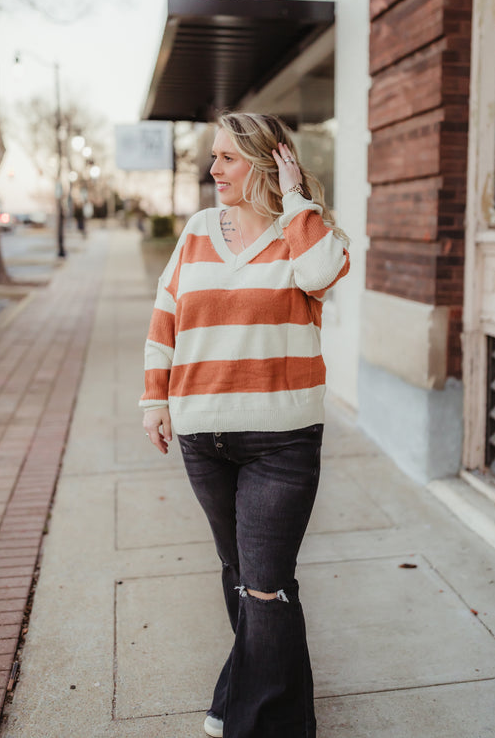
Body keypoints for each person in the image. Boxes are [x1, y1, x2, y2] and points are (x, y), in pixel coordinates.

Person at [140, 112, 350, 738]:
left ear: (265, 162)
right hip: (204, 436)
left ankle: (258, 722)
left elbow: (319, 277)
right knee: (241, 574)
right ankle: (245, 690)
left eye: (227, 158)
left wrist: (295, 201)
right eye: (214, 157)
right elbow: (166, 315)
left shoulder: (306, 233)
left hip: (281, 440)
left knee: (263, 584)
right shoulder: (200, 230)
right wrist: (155, 402)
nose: (213, 169)